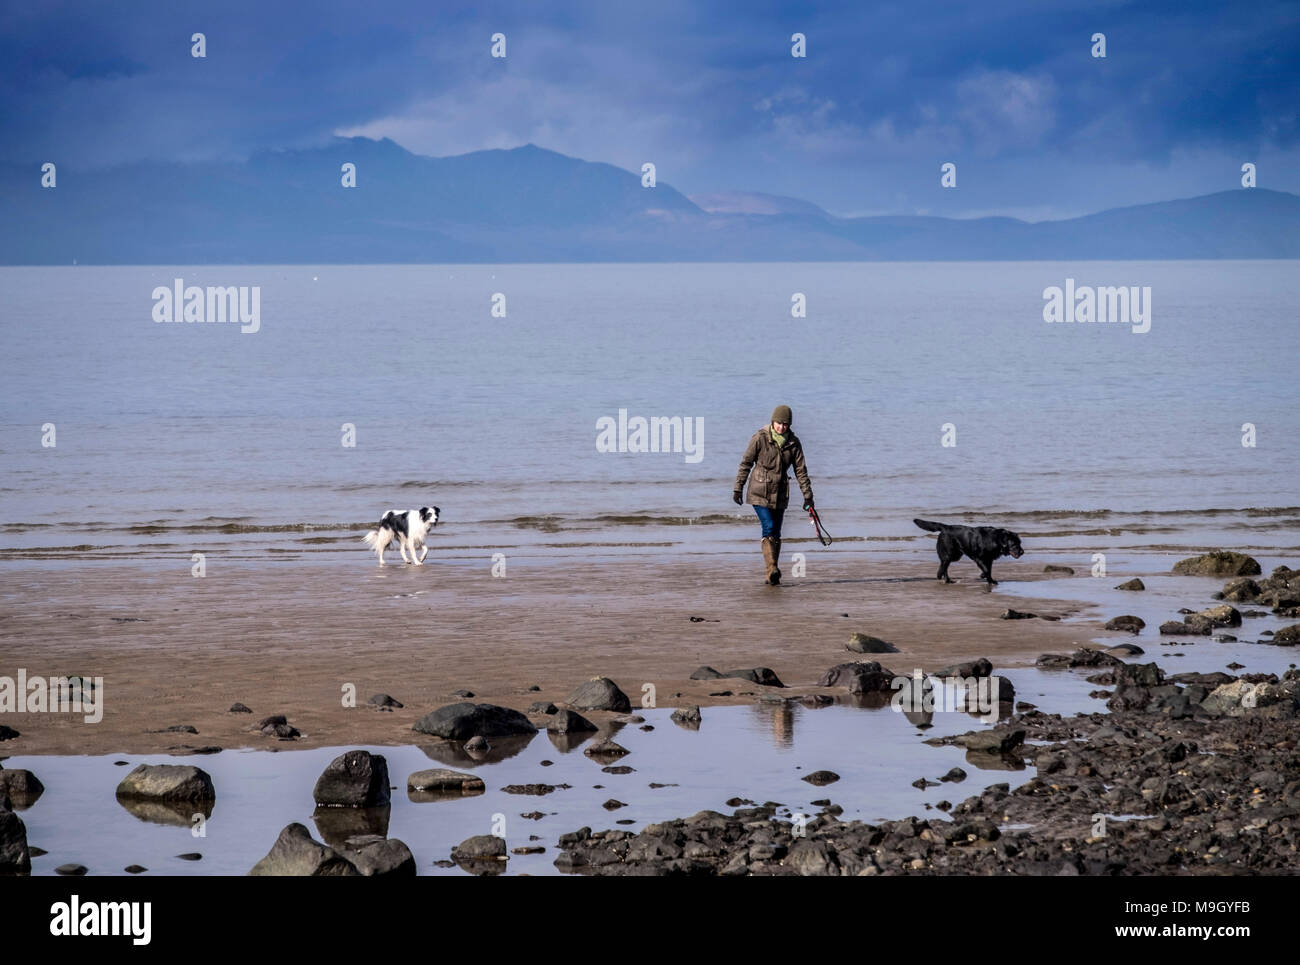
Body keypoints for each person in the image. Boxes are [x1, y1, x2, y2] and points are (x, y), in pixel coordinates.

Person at [733, 405, 814, 585]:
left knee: (776, 533)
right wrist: (738, 488)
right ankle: (772, 569)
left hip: (780, 494)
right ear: (773, 421)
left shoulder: (794, 443)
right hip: (759, 492)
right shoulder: (760, 438)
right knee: (768, 526)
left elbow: (801, 471)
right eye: (779, 423)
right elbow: (745, 463)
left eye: (785, 424)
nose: (781, 427)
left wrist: (808, 496)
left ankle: (772, 573)